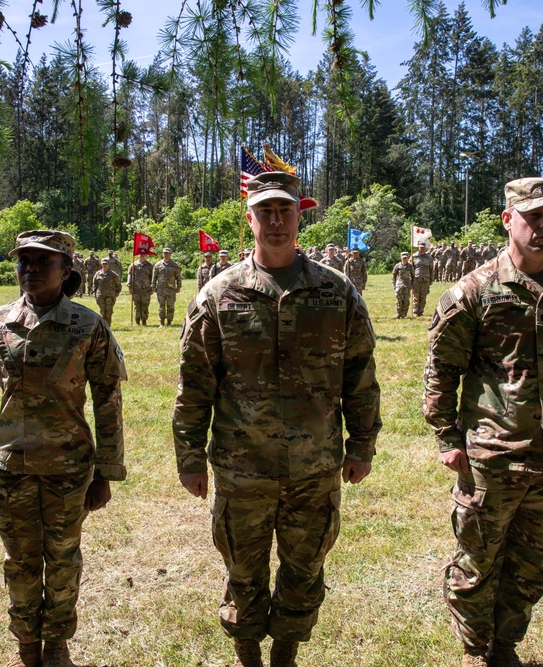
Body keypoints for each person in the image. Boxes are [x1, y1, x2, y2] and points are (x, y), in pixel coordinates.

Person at [173, 171, 382, 667]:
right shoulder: (218, 296)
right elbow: (195, 383)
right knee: (242, 573)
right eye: (264, 211)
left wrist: (362, 446)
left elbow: (360, 376)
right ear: (249, 220)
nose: (275, 221)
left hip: (315, 466)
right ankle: (248, 654)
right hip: (241, 467)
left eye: (284, 211)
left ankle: (286, 654)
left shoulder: (337, 293)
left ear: (299, 216)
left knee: (304, 569)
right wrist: (189, 457)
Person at [423, 177, 543, 667]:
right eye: (533, 217)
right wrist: (446, 435)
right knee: (479, 563)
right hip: (492, 456)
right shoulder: (474, 291)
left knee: (532, 567)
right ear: (509, 220)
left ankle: (504, 649)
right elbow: (442, 371)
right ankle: (474, 651)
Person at [0, 230, 127, 667]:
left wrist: (107, 473)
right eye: (24, 262)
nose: (31, 270)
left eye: (43, 262)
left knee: (62, 562)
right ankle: (26, 646)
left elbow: (107, 402)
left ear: (67, 269)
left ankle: (56, 644)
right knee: (19, 562)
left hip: (69, 468)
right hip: (11, 467)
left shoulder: (87, 325)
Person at [151, 247, 182, 327]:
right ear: (162, 254)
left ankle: (169, 322)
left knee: (170, 306)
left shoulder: (175, 265)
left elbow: (178, 277)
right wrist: (153, 286)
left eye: (167, 253)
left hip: (171, 289)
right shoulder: (158, 265)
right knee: (161, 306)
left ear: (170, 254)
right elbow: (154, 277)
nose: (166, 255)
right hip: (160, 289)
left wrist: (179, 287)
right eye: (164, 253)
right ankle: (161, 322)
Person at [127, 252, 154, 326]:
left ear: (146, 256)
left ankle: (144, 320)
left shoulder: (149, 266)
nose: (142, 255)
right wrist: (130, 286)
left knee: (145, 305)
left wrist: (152, 288)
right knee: (137, 305)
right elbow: (130, 275)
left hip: (146, 289)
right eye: (141, 254)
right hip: (136, 289)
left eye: (144, 254)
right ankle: (137, 320)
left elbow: (152, 277)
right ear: (138, 255)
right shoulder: (133, 265)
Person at [92, 257, 122, 324]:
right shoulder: (98, 274)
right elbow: (95, 284)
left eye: (106, 264)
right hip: (100, 295)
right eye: (103, 264)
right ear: (101, 265)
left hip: (110, 295)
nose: (104, 265)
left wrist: (116, 293)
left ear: (108, 264)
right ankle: (103, 325)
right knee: (102, 311)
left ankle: (108, 325)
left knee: (108, 311)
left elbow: (118, 285)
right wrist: (94, 293)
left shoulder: (113, 274)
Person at [410, 242, 435, 316]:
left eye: (423, 248)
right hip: (416, 279)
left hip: (425, 279)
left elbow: (431, 270)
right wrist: (410, 280)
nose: (422, 249)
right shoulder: (413, 257)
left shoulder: (429, 258)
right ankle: (415, 311)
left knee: (423, 296)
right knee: (416, 296)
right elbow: (410, 268)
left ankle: (421, 311)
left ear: (425, 248)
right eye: (420, 247)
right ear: (418, 247)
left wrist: (431, 280)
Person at [391, 251, 413, 319]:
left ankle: (404, 314)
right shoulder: (398, 266)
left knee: (406, 300)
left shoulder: (410, 266)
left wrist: (412, 284)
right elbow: (394, 275)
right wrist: (394, 284)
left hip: (407, 284)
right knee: (399, 299)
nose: (404, 259)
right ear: (401, 258)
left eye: (406, 258)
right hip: (399, 284)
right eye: (403, 258)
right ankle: (398, 313)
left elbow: (413, 276)